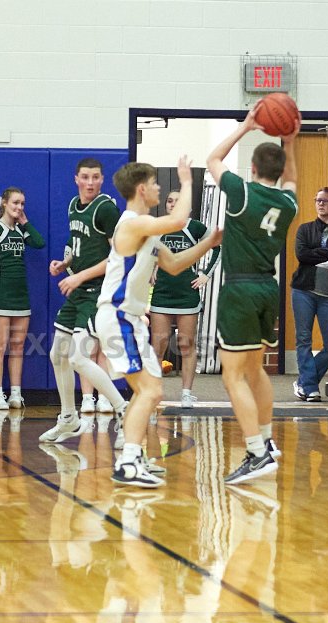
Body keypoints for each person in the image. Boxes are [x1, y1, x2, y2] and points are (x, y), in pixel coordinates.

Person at [94, 158, 221, 488]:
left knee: (150, 391)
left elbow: (175, 264)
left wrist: (208, 243)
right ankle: (128, 462)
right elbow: (178, 220)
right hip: (118, 316)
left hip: (132, 319)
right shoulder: (132, 224)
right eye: (154, 184)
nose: (159, 189)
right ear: (141, 189)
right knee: (149, 391)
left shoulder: (146, 231)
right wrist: (188, 181)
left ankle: (133, 456)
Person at [206, 101, 300, 485]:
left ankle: (256, 452)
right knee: (255, 369)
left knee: (233, 377)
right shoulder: (288, 202)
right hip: (267, 288)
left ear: (253, 168)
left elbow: (212, 159)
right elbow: (291, 179)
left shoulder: (242, 192)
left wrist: (245, 127)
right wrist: (289, 142)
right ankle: (267, 439)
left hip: (240, 289)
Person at [42, 158, 130, 446]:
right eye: (85, 177)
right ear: (76, 179)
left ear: (102, 180)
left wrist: (79, 276)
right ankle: (69, 418)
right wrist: (66, 263)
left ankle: (124, 411)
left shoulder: (106, 209)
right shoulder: (73, 206)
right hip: (79, 289)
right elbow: (80, 246)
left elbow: (117, 257)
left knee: (78, 358)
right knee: (57, 354)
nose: (90, 182)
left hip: (97, 292)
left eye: (95, 177)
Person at [148, 190, 221, 409]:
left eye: (178, 201)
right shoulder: (158, 226)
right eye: (170, 201)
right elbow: (151, 252)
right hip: (162, 292)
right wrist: (151, 268)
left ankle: (187, 394)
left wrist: (205, 274)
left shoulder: (195, 227)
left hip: (187, 294)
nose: (173, 204)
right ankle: (154, 394)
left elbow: (217, 247)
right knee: (158, 345)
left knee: (186, 345)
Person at [0, 187, 45, 410]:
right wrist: (0, 276)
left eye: (22, 204)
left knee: (18, 347)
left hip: (21, 296)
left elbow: (39, 242)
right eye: (15, 203)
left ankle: (16, 393)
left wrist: (25, 222)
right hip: (1, 295)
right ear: (4, 203)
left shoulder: (19, 230)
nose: (19, 207)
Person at [290, 187, 328, 402]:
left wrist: (317, 254)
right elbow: (302, 255)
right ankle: (311, 388)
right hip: (304, 290)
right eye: (317, 200)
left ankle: (304, 382)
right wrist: (327, 254)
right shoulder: (305, 229)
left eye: (325, 201)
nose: (320, 204)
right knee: (304, 339)